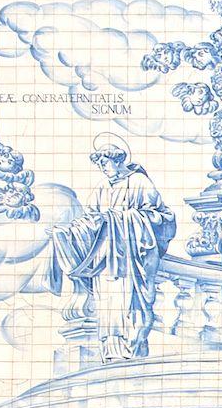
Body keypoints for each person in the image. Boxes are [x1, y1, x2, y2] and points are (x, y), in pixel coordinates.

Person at [62, 136, 175, 361]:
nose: (103, 168)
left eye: (105, 163)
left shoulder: (140, 182)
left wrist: (120, 218)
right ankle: (111, 351)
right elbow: (90, 220)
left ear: (117, 160)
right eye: (100, 165)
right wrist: (70, 231)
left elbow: (162, 216)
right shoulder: (101, 188)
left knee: (129, 301)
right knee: (108, 304)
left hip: (131, 258)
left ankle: (131, 348)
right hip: (105, 259)